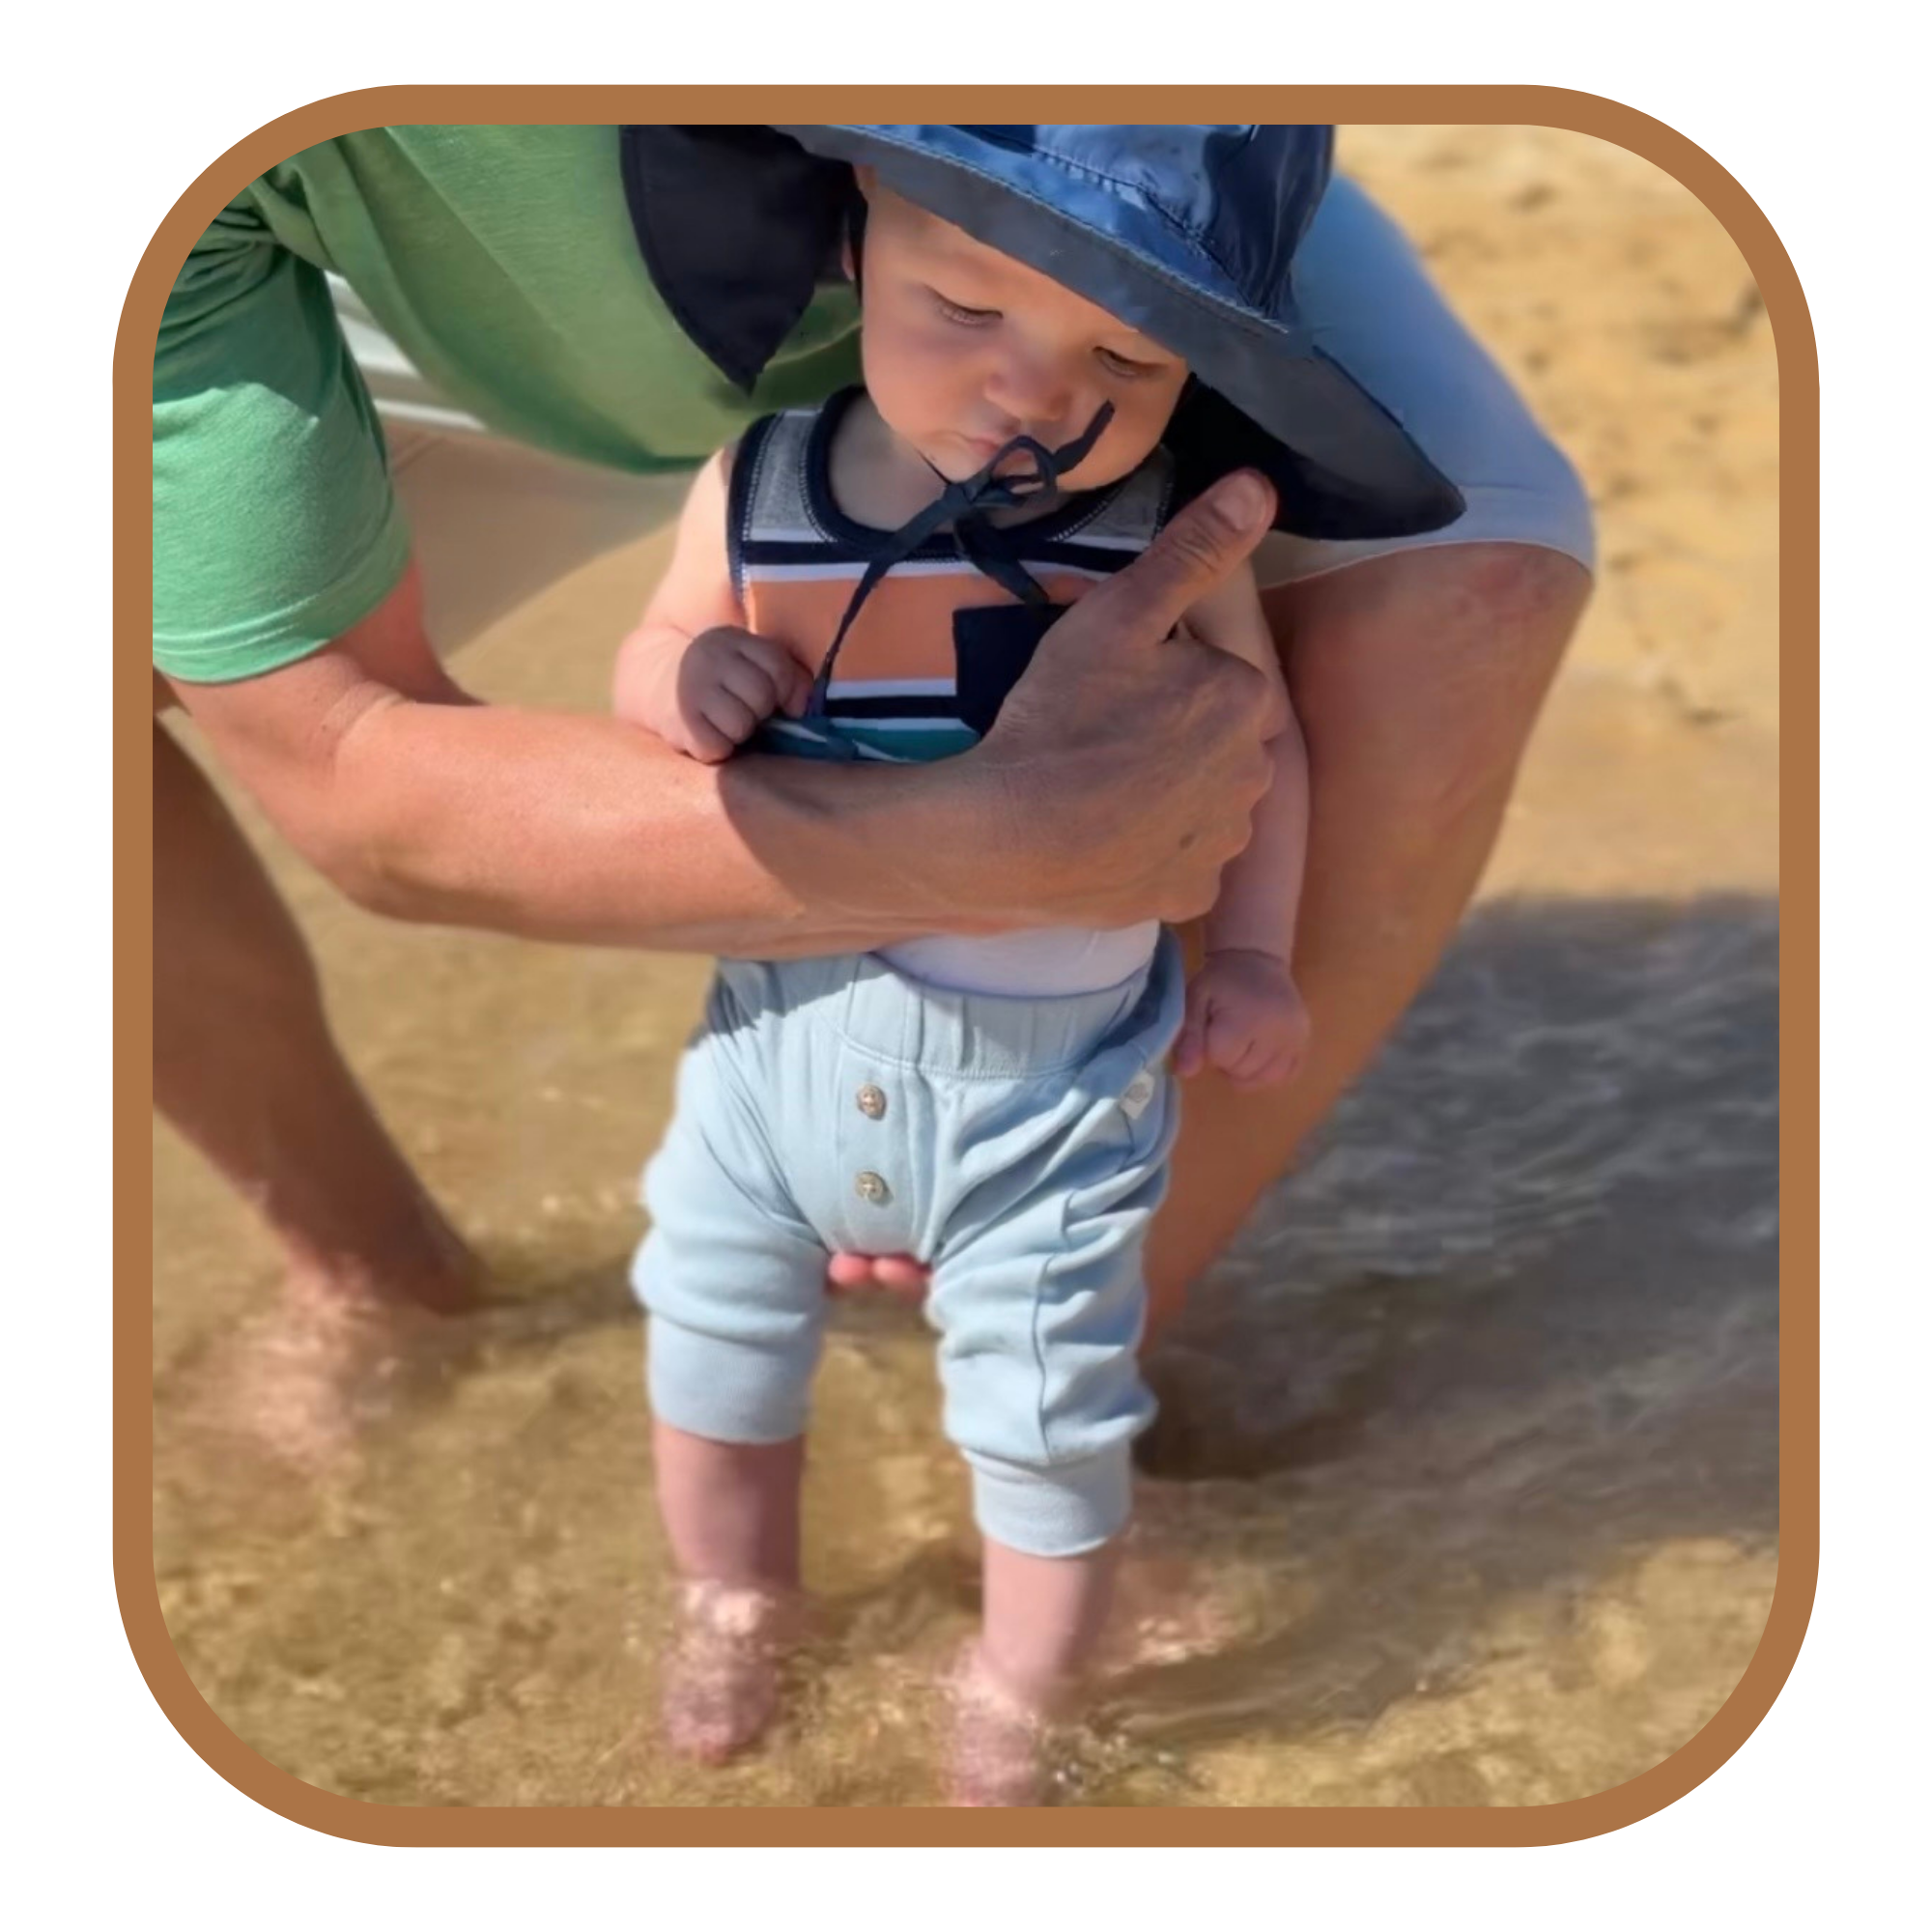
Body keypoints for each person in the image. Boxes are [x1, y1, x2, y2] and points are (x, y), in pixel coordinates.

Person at [150, 123, 1593, 1469]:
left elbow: (1252, 711)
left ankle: (1066, 1368)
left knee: (1473, 580)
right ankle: (372, 1268)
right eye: (971, 321)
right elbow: (349, 764)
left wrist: (1250, 961)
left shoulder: (1109, 328)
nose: (1028, 397)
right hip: (424, 315)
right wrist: (983, 846)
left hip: (1118, 212)